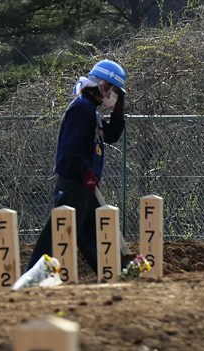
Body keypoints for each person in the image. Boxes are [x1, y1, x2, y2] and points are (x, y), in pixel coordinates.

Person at [25, 59, 127, 275]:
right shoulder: (81, 108)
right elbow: (70, 150)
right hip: (74, 183)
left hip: (85, 184)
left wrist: (119, 109)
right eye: (114, 92)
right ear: (103, 85)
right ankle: (32, 277)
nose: (113, 96)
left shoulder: (92, 110)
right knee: (59, 233)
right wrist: (85, 173)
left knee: (91, 233)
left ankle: (117, 272)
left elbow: (112, 135)